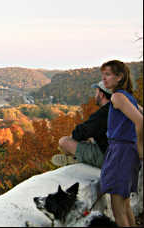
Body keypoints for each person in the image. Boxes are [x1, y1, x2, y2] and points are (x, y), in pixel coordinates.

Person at [99, 60, 143, 227]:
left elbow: (141, 121)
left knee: (118, 208)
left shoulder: (118, 97)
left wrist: (140, 148)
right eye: (103, 75)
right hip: (126, 151)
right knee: (125, 205)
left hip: (121, 152)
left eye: (108, 74)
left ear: (119, 77)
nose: (104, 79)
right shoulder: (128, 97)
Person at [51, 80, 112, 168]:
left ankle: (73, 159)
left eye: (96, 92)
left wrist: (75, 138)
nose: (95, 95)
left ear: (101, 95)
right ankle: (75, 159)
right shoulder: (117, 108)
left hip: (106, 157)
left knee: (64, 141)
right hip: (117, 152)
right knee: (90, 138)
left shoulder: (103, 113)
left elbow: (79, 133)